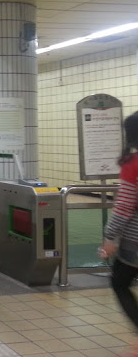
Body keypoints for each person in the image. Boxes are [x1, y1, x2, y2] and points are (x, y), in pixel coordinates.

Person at [102, 111, 138, 355]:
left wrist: (110, 237)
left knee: (119, 282)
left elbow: (124, 206)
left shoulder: (133, 165)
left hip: (135, 240)